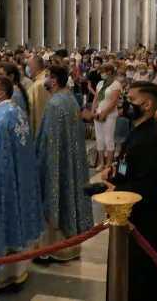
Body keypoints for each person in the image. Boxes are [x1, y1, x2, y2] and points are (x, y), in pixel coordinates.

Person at [103, 81, 157, 301]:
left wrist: (118, 189)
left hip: (145, 219)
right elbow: (129, 165)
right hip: (130, 213)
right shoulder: (138, 132)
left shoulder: (153, 139)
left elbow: (149, 185)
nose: (127, 103)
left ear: (148, 104)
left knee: (144, 278)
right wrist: (113, 173)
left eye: (132, 99)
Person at [0, 76, 44, 288]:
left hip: (5, 181)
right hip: (21, 177)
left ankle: (4, 276)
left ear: (1, 93)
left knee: (6, 223)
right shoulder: (16, 111)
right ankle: (19, 270)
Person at [34, 65, 93, 262]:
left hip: (57, 162)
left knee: (55, 196)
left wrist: (40, 160)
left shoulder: (54, 104)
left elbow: (48, 141)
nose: (45, 79)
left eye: (48, 76)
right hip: (72, 160)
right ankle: (71, 248)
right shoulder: (70, 99)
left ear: (55, 81)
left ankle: (52, 249)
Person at [92, 63, 121, 171]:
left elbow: (114, 102)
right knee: (99, 139)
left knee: (108, 139)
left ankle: (109, 164)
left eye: (103, 71)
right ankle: (101, 163)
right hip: (98, 113)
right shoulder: (100, 83)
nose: (101, 73)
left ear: (109, 72)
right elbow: (96, 98)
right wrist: (92, 111)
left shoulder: (116, 84)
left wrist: (105, 112)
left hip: (110, 114)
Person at [26, 55, 52, 136]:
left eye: (29, 66)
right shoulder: (46, 79)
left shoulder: (37, 86)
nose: (28, 69)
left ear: (35, 68)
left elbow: (29, 107)